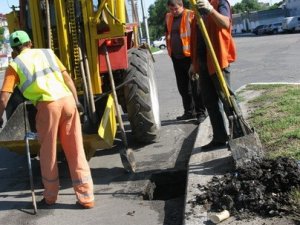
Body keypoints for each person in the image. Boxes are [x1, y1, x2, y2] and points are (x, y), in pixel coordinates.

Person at [0, 30, 95, 209]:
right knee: (76, 150)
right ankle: (86, 197)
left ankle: (50, 197)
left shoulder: (16, 64)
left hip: (48, 106)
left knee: (48, 153)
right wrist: (77, 102)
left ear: (13, 50)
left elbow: (4, 96)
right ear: (31, 43)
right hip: (68, 101)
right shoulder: (48, 53)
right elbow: (67, 78)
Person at [190, 0, 237, 149]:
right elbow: (197, 38)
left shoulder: (220, 2)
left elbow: (225, 23)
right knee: (210, 102)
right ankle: (219, 137)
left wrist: (210, 10)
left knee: (227, 99)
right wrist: (194, 63)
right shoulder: (196, 7)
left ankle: (239, 134)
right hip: (202, 62)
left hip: (218, 60)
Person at [165, 0, 207, 124]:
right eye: (171, 9)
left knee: (196, 87)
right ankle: (189, 112)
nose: (173, 12)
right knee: (183, 88)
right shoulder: (168, 17)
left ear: (182, 5)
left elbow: (197, 36)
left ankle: (201, 113)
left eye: (175, 9)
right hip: (176, 58)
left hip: (190, 57)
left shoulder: (191, 14)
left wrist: (195, 60)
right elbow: (167, 33)